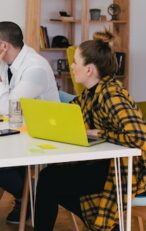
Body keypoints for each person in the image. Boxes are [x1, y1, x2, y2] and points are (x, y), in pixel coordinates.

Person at [34, 30, 146, 231]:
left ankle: (106, 225)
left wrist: (99, 133)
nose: (72, 66)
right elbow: (69, 112)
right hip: (105, 162)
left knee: (49, 180)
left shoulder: (112, 95)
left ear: (89, 70)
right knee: (52, 179)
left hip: (123, 169)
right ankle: (105, 225)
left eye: (76, 62)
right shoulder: (90, 94)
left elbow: (139, 136)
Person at [0, 21, 60, 224]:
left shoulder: (35, 68)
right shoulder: (4, 63)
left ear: (3, 46)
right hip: (16, 130)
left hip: (39, 136)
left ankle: (29, 197)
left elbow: (6, 107)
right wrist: (3, 98)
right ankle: (26, 194)